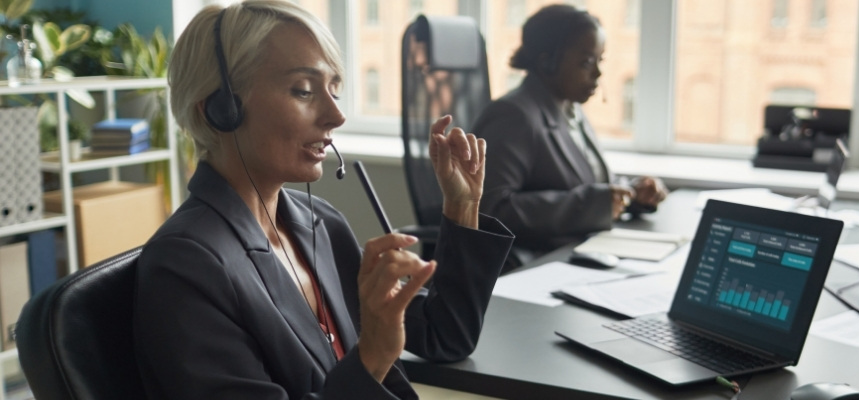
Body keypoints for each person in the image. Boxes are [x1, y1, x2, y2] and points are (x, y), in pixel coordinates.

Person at [133, 1, 513, 399]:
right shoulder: (185, 264)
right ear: (220, 110)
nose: (337, 115)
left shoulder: (320, 223)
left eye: (334, 90)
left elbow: (445, 336)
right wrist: (372, 359)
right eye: (304, 90)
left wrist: (462, 205)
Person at [473, 5, 668, 258]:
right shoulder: (514, 116)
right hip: (533, 263)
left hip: (578, 252)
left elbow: (583, 184)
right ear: (547, 61)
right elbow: (491, 211)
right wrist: (593, 205)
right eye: (587, 62)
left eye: (600, 61)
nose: (598, 73)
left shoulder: (569, 108)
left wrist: (631, 193)